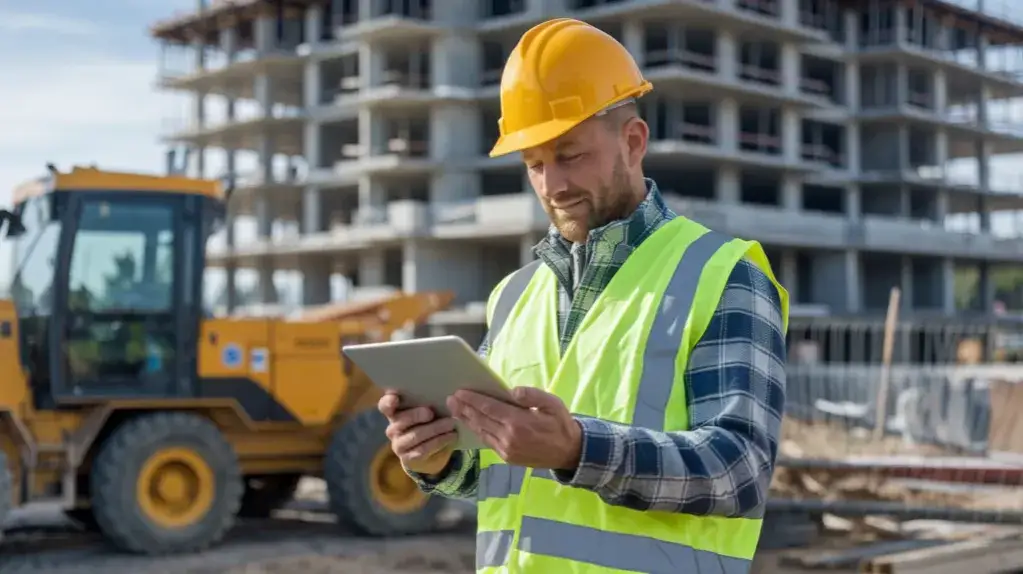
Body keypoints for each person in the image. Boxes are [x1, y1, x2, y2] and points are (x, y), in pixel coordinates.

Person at [377, 17, 789, 574]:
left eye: (570, 155)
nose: (552, 186)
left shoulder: (722, 275)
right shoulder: (514, 295)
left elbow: (736, 471)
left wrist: (576, 450)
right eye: (534, 165)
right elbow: (499, 477)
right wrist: (437, 458)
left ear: (634, 141)